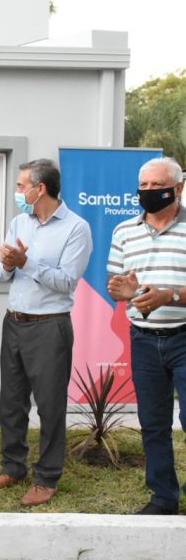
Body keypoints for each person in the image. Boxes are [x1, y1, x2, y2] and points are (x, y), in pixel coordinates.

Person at [0, 159, 92, 507]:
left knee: (50, 406)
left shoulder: (76, 228)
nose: (17, 192)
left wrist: (27, 263)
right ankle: (13, 466)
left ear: (39, 188)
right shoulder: (19, 221)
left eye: (20, 186)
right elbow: (1, 273)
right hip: (14, 322)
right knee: (11, 403)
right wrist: (9, 264)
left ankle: (47, 478)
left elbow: (66, 282)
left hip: (50, 326)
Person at [107, 156, 186, 515]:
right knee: (153, 423)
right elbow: (118, 286)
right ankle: (164, 497)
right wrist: (127, 293)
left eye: (158, 186)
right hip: (143, 338)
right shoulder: (124, 231)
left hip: (184, 338)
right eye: (145, 186)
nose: (150, 192)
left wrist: (169, 295)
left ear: (178, 188)